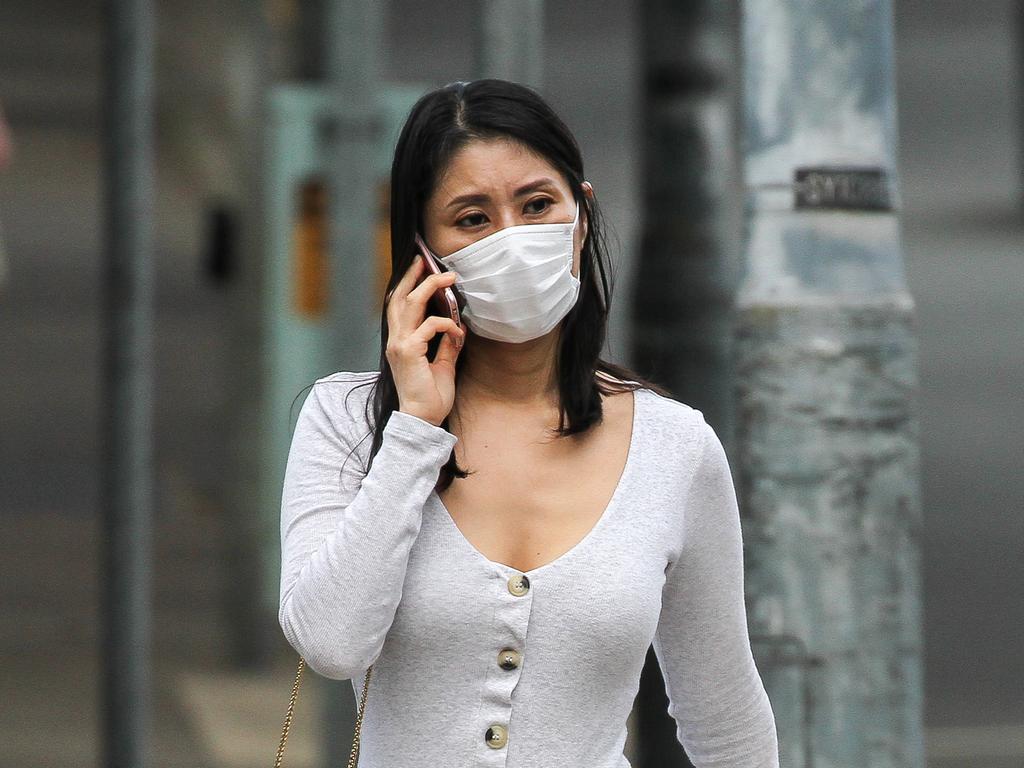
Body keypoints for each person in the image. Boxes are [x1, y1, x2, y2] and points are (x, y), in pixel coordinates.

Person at [278, 79, 779, 768]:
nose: (513, 240)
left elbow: (724, 716)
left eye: (538, 204)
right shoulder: (350, 421)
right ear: (425, 250)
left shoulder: (675, 446)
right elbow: (330, 643)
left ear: (581, 218)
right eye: (473, 218)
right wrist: (416, 431)